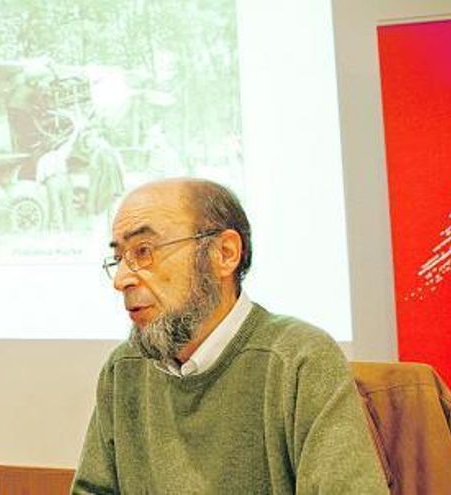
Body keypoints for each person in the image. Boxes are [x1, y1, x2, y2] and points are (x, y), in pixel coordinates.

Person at [71, 178, 388, 494]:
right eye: (119, 258)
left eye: (143, 251)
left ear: (224, 253)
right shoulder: (125, 367)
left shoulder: (299, 359)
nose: (121, 279)